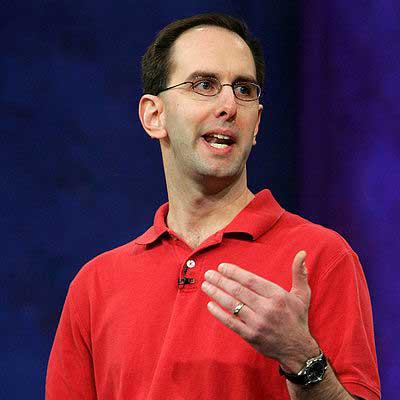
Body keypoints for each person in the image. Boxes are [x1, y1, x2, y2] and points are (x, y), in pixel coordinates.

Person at [46, 13, 380, 400]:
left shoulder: (320, 257)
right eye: (204, 85)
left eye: (244, 89)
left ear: (257, 124)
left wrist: (301, 356)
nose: (229, 105)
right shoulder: (95, 285)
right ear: (154, 115)